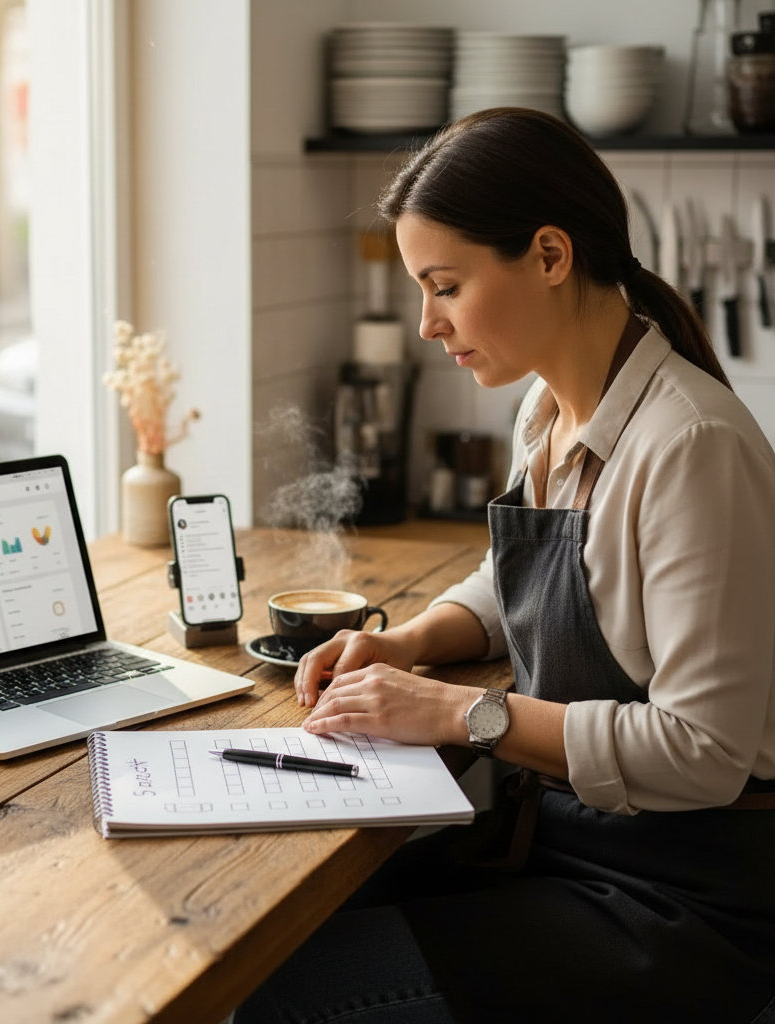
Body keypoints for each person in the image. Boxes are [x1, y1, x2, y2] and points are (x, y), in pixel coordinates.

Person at [235, 108, 775, 1024]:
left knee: (293, 995)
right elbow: (522, 577)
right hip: (569, 843)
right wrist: (405, 643)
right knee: (268, 944)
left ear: (551, 255)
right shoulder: (548, 411)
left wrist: (455, 711)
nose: (425, 323)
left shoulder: (689, 447)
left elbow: (704, 754)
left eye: (443, 285)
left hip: (686, 904)